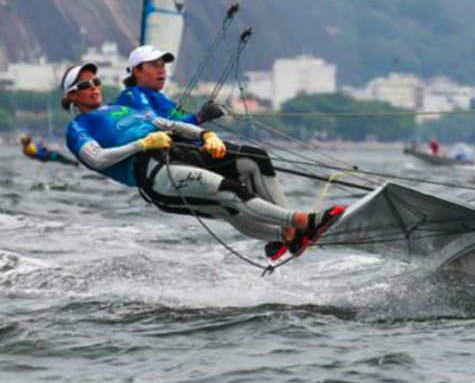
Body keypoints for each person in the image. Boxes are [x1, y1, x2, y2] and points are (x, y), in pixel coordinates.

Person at [61, 62, 340, 259]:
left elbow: (168, 124)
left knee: (251, 159)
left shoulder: (120, 108)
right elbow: (96, 159)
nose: (94, 87)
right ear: (71, 95)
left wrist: (206, 134)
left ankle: (290, 235)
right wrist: (142, 144)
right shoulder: (78, 128)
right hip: (154, 175)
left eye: (96, 81)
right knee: (231, 196)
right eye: (85, 85)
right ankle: (305, 222)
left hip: (178, 153)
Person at [115, 45, 290, 235]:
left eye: (163, 65)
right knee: (245, 171)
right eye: (154, 65)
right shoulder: (133, 95)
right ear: (137, 71)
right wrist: (199, 117)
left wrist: (201, 122)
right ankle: (291, 228)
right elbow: (160, 125)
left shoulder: (160, 98)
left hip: (188, 154)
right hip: (170, 162)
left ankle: (284, 232)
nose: (161, 70)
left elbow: (179, 126)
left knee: (252, 162)